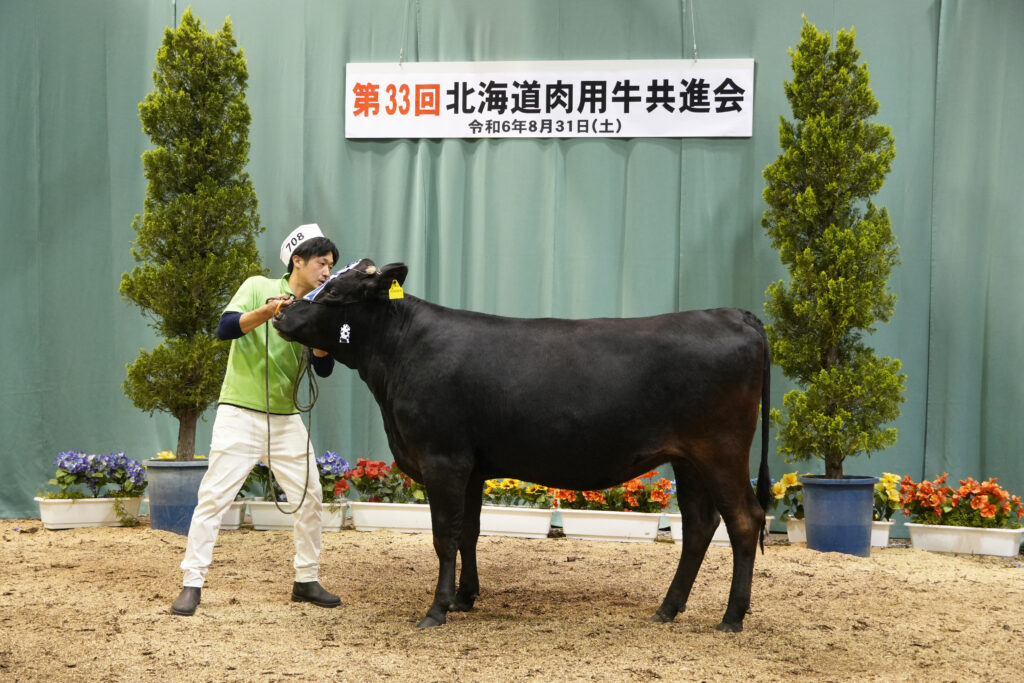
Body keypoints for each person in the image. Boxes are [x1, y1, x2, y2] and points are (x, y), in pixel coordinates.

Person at [171, 224, 341, 617]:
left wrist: (318, 341)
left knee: (310, 496)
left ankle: (306, 579)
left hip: (286, 418)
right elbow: (225, 328)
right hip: (239, 413)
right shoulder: (256, 285)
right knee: (214, 498)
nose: (326, 272)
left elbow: (326, 368)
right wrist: (268, 310)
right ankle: (191, 583)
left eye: (330, 265)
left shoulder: (319, 306)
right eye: (321, 263)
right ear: (297, 261)